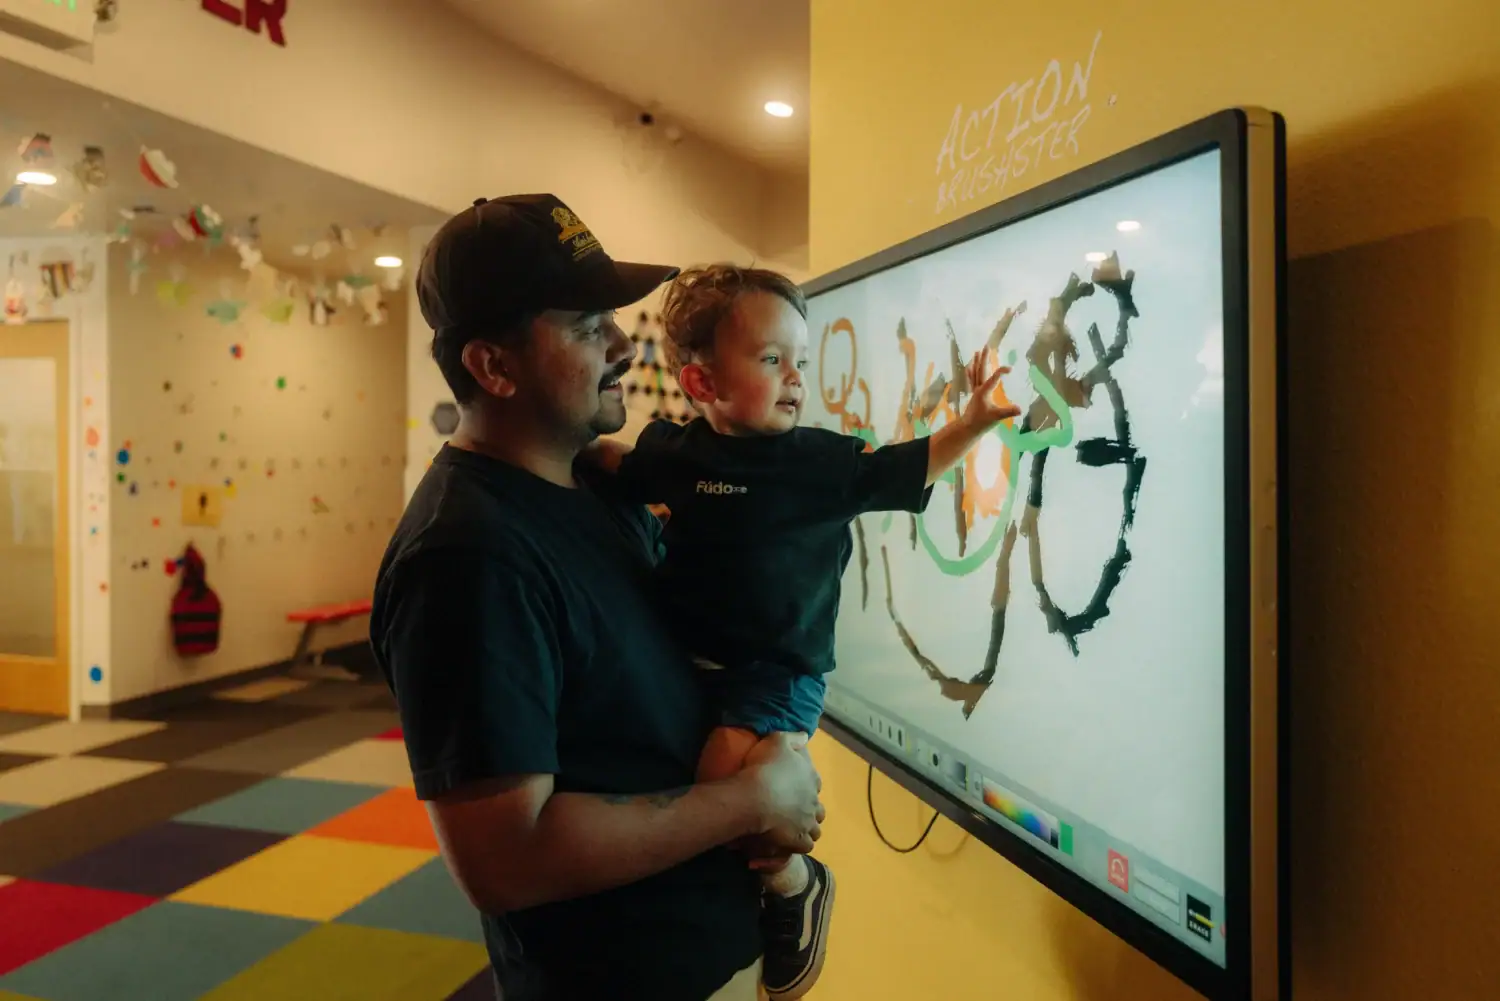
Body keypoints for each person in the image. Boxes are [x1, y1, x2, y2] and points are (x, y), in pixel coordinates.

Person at [370, 195, 825, 1001]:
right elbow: (506, 857)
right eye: (585, 326)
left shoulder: (597, 485)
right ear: (493, 366)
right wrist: (752, 798)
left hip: (710, 941)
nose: (621, 344)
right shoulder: (466, 558)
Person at [584, 263, 1022, 998]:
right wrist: (567, 455)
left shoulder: (819, 461)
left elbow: (905, 469)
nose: (795, 378)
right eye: (770, 360)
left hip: (779, 671)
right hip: (693, 662)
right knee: (710, 788)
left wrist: (972, 422)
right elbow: (618, 463)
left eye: (801, 361)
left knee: (728, 780)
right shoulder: (681, 455)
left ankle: (796, 886)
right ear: (702, 386)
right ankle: (768, 886)